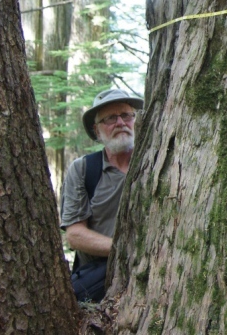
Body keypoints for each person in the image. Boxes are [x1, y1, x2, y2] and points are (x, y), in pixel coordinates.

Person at [60, 88, 143, 302]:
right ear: (97, 131)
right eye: (110, 118)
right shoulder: (84, 169)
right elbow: (75, 234)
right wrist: (125, 249)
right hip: (100, 282)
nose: (120, 123)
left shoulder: (155, 162)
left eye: (126, 115)